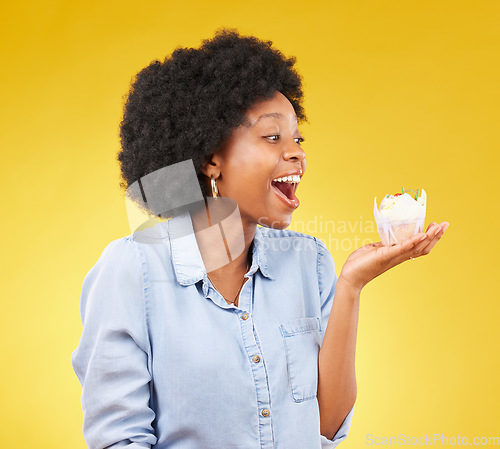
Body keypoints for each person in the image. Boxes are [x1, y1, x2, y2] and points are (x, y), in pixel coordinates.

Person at [71, 29, 449, 449]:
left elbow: (325, 427)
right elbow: (118, 439)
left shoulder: (311, 262)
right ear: (211, 158)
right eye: (273, 137)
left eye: (297, 138)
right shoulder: (132, 270)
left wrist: (351, 286)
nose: (297, 154)